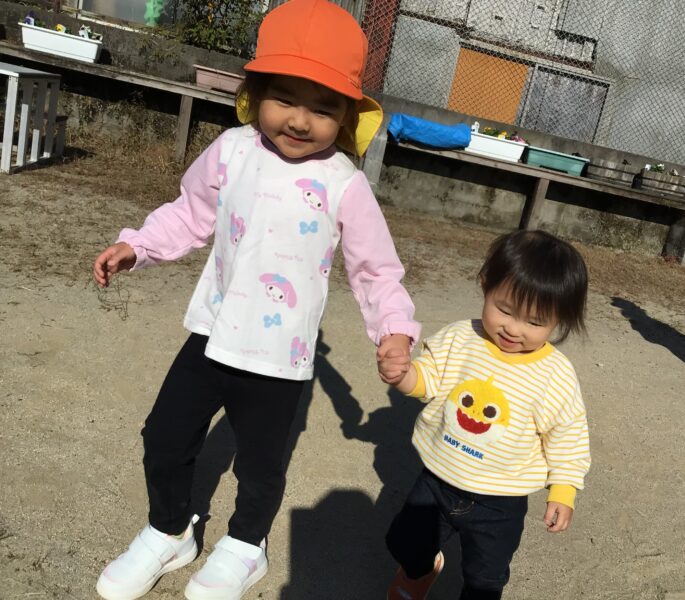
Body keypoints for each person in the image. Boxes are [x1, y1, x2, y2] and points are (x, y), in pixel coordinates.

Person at [92, 1, 420, 598]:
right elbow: (189, 214)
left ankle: (247, 544)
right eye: (285, 99)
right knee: (164, 436)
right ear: (257, 92)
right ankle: (170, 530)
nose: (300, 120)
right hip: (213, 333)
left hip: (279, 356)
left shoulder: (344, 184)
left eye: (323, 109)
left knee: (260, 464)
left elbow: (375, 270)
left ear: (346, 117)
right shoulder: (232, 150)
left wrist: (393, 327)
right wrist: (137, 246)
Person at [378, 229, 591, 600]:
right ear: (485, 285)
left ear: (559, 321)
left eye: (535, 322)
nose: (513, 328)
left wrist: (563, 489)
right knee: (405, 544)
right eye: (504, 310)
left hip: (500, 499)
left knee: (485, 579)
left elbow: (567, 434)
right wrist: (404, 375)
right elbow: (429, 379)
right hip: (438, 478)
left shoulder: (555, 374)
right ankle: (421, 569)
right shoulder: (461, 338)